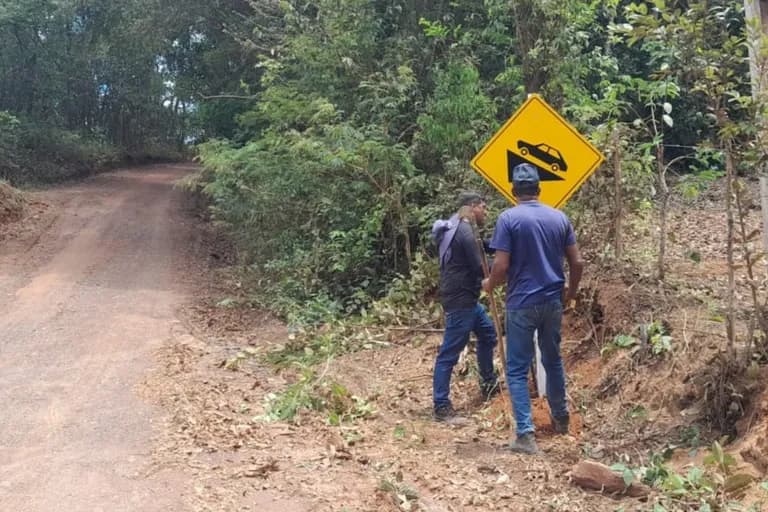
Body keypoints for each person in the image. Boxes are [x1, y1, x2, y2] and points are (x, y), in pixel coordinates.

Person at [482, 163, 584, 454]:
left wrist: (490, 283)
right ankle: (561, 419)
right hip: (552, 301)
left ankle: (525, 435)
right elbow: (577, 262)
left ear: (514, 190)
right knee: (553, 360)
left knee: (516, 369)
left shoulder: (508, 218)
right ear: (539, 189)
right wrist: (570, 293)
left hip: (521, 303)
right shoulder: (559, 217)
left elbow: (501, 265)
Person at [431, 191, 499, 424]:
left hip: (467, 299)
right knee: (450, 352)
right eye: (483, 207)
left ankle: (488, 384)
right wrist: (507, 266)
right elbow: (480, 266)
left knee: (488, 335)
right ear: (472, 207)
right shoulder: (464, 230)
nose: (485, 212)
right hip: (461, 300)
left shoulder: (460, 225)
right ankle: (441, 406)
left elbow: (482, 247)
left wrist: (504, 246)